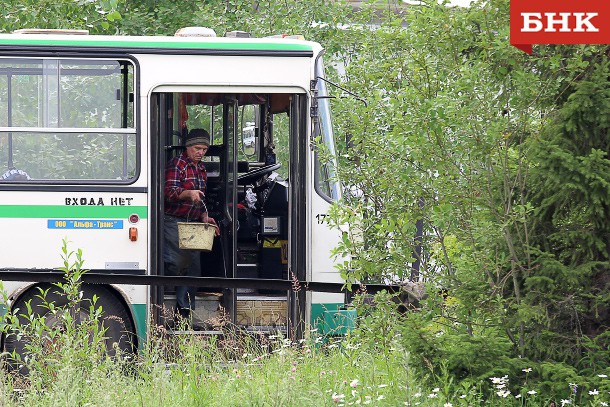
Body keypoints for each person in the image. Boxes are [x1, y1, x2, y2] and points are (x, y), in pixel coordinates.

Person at [164, 128, 219, 329]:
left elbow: (200, 199)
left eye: (204, 149)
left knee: (193, 268)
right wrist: (187, 194)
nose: (201, 152)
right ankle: (164, 302)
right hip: (172, 219)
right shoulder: (177, 164)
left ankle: (184, 316)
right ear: (188, 147)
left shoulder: (201, 168)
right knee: (177, 263)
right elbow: (168, 192)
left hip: (193, 222)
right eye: (197, 148)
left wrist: (205, 216)